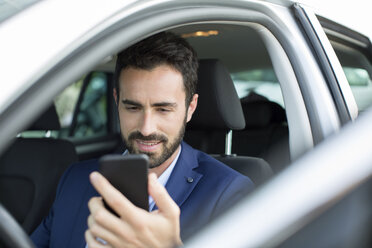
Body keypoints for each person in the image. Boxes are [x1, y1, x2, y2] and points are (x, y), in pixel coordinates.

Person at [31, 32, 254, 248]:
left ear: (190, 108)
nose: (146, 129)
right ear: (117, 100)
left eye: (163, 109)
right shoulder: (76, 179)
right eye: (133, 107)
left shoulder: (228, 192)